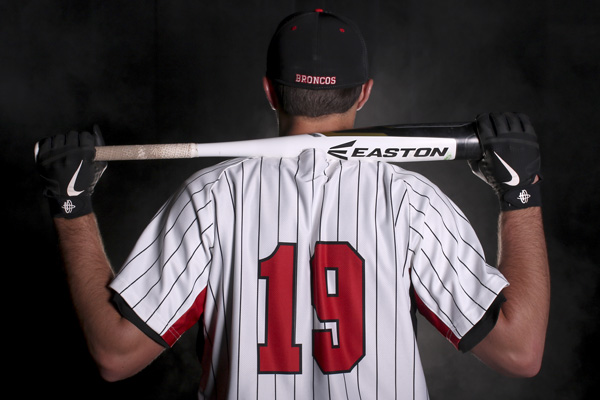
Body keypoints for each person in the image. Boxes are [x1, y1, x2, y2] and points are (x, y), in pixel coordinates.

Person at [36, 9, 550, 399]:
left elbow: (115, 354)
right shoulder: (409, 202)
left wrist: (71, 206)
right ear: (365, 93)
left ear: (269, 90)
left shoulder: (212, 197)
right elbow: (520, 352)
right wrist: (520, 193)